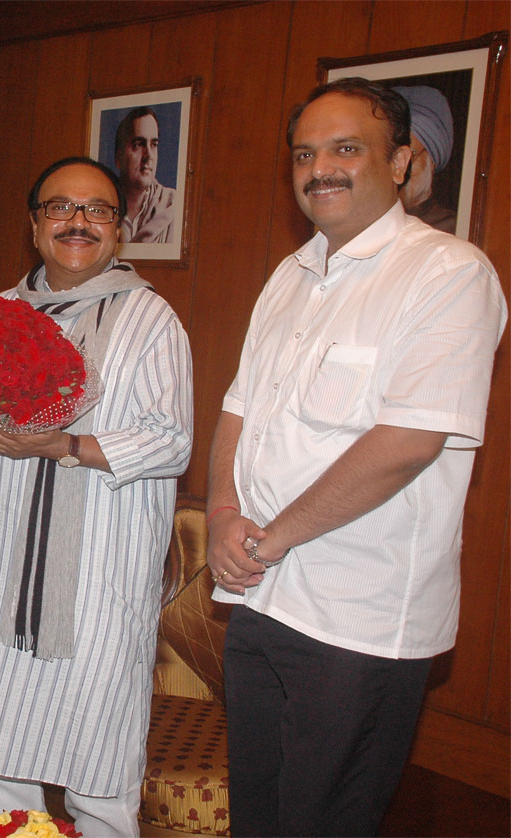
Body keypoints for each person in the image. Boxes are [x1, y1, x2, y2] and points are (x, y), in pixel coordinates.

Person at [206, 77, 506, 836]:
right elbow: (239, 408)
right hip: (258, 600)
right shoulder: (290, 273)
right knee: (259, 820)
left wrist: (272, 537)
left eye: (347, 148)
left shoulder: (449, 275)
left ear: (402, 162)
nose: (320, 170)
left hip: (357, 623)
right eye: (305, 153)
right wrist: (220, 513)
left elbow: (407, 443)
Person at [0, 156, 193, 837]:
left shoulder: (151, 320)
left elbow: (170, 442)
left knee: (100, 759)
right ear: (34, 224)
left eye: (97, 210)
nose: (78, 221)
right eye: (60, 207)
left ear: (120, 230)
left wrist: (64, 446)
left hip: (101, 578)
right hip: (4, 570)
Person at [393, 84, 457, 234]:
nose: (397, 167)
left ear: (432, 162)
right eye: (390, 156)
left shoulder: (452, 228)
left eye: (408, 157)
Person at [114, 107, 176, 243]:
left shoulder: (173, 205)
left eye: (154, 145)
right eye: (139, 145)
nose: (148, 156)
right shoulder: (103, 208)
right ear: (118, 157)